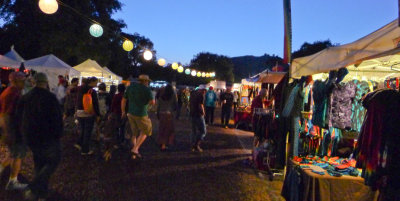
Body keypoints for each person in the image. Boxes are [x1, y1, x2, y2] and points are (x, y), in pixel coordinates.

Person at [16, 73, 63, 200]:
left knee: (39, 162)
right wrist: (58, 134)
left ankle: (40, 194)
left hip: (30, 137)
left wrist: (22, 134)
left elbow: (18, 117)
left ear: (34, 82)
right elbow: (57, 118)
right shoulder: (50, 98)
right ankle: (34, 186)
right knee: (54, 160)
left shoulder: (26, 97)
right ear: (46, 82)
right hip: (47, 136)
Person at [0, 72, 28, 190]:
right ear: (16, 81)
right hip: (14, 131)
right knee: (18, 156)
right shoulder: (15, 94)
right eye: (23, 80)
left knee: (12, 153)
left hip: (7, 129)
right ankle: (13, 181)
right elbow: (14, 115)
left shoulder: (6, 92)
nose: (24, 82)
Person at [121, 75, 155, 159]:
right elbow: (152, 102)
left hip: (130, 112)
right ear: (146, 81)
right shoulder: (147, 90)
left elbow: (124, 100)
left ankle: (134, 153)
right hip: (141, 113)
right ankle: (135, 149)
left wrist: (123, 111)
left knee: (134, 133)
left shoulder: (130, 87)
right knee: (146, 131)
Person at [75, 77, 100, 155]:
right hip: (88, 113)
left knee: (82, 129)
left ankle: (79, 144)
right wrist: (98, 114)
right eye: (96, 82)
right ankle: (85, 150)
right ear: (92, 82)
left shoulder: (80, 88)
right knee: (87, 132)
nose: (96, 84)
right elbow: (95, 104)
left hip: (79, 112)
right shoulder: (92, 91)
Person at [103, 84, 126, 161]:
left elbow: (112, 105)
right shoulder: (125, 96)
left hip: (116, 113)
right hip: (123, 114)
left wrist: (110, 113)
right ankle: (121, 141)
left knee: (114, 128)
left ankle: (115, 143)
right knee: (122, 128)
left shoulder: (116, 96)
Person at [156, 84, 178, 151]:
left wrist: (158, 114)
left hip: (161, 113)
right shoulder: (173, 96)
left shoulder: (161, 96)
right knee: (168, 130)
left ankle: (161, 143)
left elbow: (158, 106)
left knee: (162, 129)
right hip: (169, 114)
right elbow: (176, 105)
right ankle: (165, 144)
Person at [189, 87, 207, 152]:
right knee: (203, 131)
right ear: (201, 90)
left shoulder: (192, 94)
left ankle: (192, 146)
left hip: (192, 114)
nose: (205, 92)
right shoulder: (200, 95)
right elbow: (200, 105)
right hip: (198, 115)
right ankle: (196, 145)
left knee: (193, 131)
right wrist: (203, 113)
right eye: (204, 90)